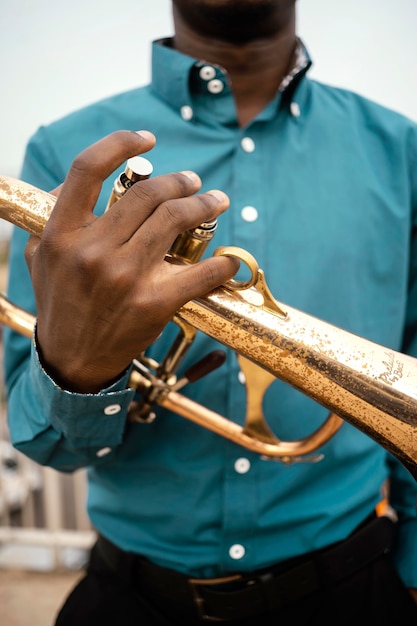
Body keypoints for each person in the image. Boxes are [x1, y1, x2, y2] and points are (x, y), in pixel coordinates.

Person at [3, 1, 417, 624]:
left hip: (357, 586)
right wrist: (78, 368)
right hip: (130, 596)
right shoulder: (64, 148)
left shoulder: (401, 150)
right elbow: (46, 443)